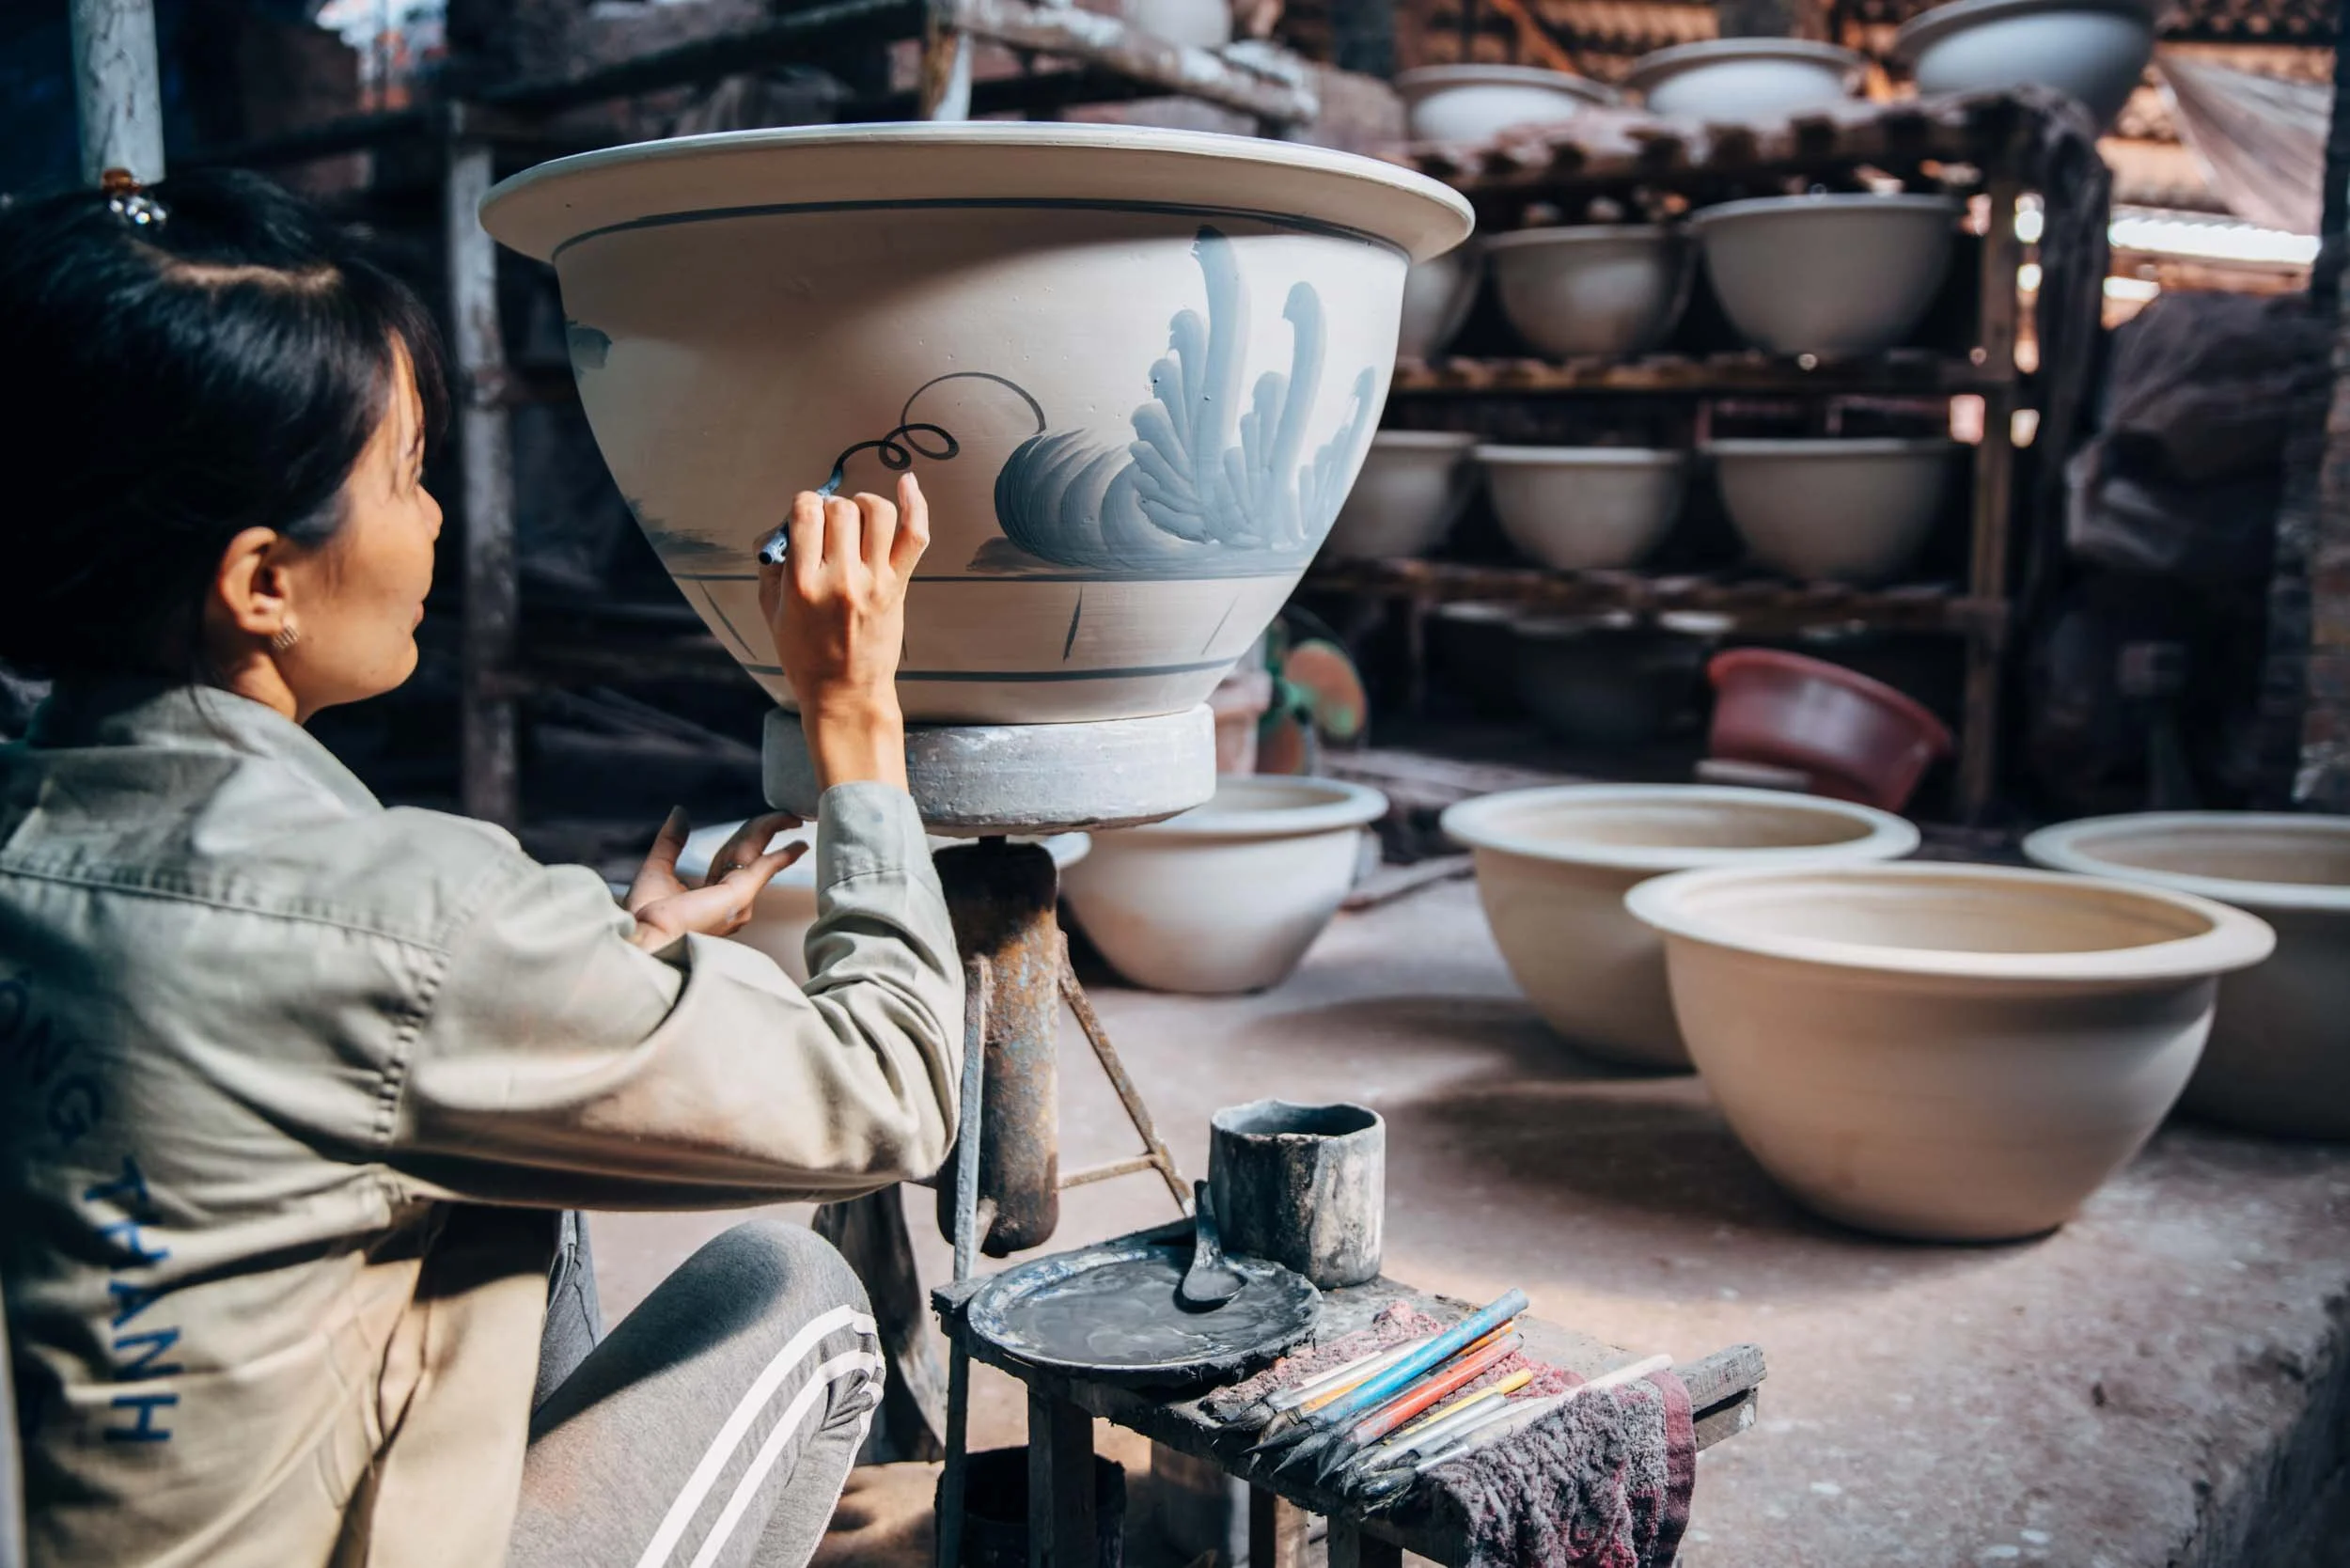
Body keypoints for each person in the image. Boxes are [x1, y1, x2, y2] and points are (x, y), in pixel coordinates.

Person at [0, 168, 964, 1568]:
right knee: (797, 1290)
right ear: (262, 583)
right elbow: (895, 1091)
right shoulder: (399, 921)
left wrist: (619, 957)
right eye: (404, 475)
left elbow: (323, 1025)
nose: (436, 520)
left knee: (523, 1181)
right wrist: (856, 719)